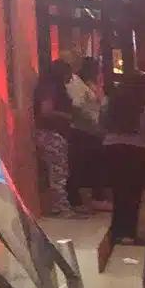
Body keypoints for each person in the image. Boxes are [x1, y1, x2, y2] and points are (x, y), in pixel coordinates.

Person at [101, 72, 145, 247]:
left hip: (111, 149)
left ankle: (116, 230)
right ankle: (128, 233)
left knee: (118, 192)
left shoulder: (110, 102)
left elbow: (101, 123)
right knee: (133, 194)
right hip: (136, 152)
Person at [32, 61, 76, 217]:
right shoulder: (51, 88)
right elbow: (46, 111)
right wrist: (68, 116)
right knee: (58, 172)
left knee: (56, 171)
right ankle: (59, 208)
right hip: (51, 134)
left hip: (50, 133)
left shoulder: (46, 86)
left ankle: (57, 206)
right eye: (69, 75)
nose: (71, 79)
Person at [65, 56, 105, 210]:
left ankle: (90, 199)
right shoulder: (77, 83)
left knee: (92, 165)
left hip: (93, 131)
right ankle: (81, 201)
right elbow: (77, 104)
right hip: (82, 131)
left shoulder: (91, 84)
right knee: (82, 167)